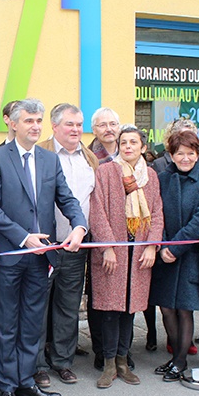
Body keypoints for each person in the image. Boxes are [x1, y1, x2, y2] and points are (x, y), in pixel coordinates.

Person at [0, 98, 87, 396]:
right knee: (6, 324)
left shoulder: (49, 160)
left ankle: (26, 380)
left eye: (39, 120)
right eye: (29, 120)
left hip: (42, 258)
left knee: (31, 324)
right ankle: (7, 386)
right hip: (11, 255)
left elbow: (66, 198)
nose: (35, 126)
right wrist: (22, 236)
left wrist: (79, 225)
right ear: (12, 124)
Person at [89, 124, 163, 389]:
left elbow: (156, 212)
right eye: (124, 142)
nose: (128, 147)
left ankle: (123, 359)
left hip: (139, 250)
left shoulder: (150, 176)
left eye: (134, 142)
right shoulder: (106, 172)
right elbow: (96, 210)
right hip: (114, 252)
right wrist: (107, 246)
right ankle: (108, 363)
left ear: (143, 147)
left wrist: (152, 245)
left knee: (130, 310)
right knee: (111, 310)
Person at [34, 103, 97, 387]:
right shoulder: (41, 154)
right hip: (45, 245)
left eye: (78, 124)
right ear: (55, 126)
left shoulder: (90, 158)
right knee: (38, 307)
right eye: (69, 124)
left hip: (75, 246)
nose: (75, 130)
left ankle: (62, 361)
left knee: (68, 307)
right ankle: (36, 365)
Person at [149, 130, 199, 381]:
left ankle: (180, 361)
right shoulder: (161, 178)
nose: (185, 158)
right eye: (180, 153)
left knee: (184, 309)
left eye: (191, 153)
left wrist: (174, 248)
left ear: (198, 155)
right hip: (163, 252)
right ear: (171, 155)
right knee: (166, 308)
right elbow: (156, 213)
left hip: (189, 255)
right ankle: (173, 357)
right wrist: (162, 244)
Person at [85, 107, 120, 370]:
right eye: (102, 125)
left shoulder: (132, 151)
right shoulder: (88, 157)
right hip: (95, 234)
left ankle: (120, 348)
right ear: (94, 130)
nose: (108, 129)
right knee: (98, 293)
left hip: (128, 236)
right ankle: (100, 348)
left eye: (113, 124)